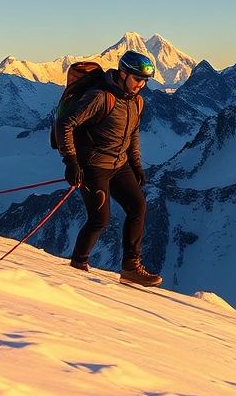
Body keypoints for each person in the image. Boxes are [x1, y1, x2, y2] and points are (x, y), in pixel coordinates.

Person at [55, 49, 162, 285]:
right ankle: (78, 265)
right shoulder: (101, 97)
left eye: (144, 81)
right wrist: (71, 162)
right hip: (93, 165)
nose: (141, 85)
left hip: (119, 163)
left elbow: (133, 133)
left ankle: (131, 267)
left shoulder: (136, 101)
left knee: (138, 207)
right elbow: (65, 123)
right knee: (99, 219)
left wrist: (135, 164)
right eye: (137, 79)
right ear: (123, 74)